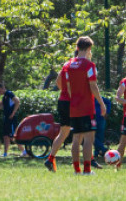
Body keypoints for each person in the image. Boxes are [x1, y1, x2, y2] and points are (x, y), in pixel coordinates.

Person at [61, 36, 104, 175]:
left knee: (76, 138)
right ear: (89, 49)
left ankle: (76, 170)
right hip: (86, 106)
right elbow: (93, 85)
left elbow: (67, 86)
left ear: (77, 47)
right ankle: (87, 169)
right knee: (88, 138)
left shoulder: (68, 65)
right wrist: (101, 103)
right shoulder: (89, 65)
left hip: (74, 106)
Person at [44, 56, 74, 173]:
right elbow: (71, 86)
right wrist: (73, 98)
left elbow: (58, 81)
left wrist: (64, 90)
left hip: (62, 100)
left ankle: (50, 158)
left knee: (64, 133)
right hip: (71, 102)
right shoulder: (79, 65)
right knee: (82, 133)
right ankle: (81, 164)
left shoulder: (66, 64)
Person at [0, 84, 19, 158]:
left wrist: (13, 113)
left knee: (13, 136)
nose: (0, 92)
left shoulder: (9, 93)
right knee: (5, 136)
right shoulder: (4, 97)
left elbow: (17, 101)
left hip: (11, 119)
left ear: (4, 88)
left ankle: (24, 151)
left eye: (0, 90)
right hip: (6, 118)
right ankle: (5, 153)